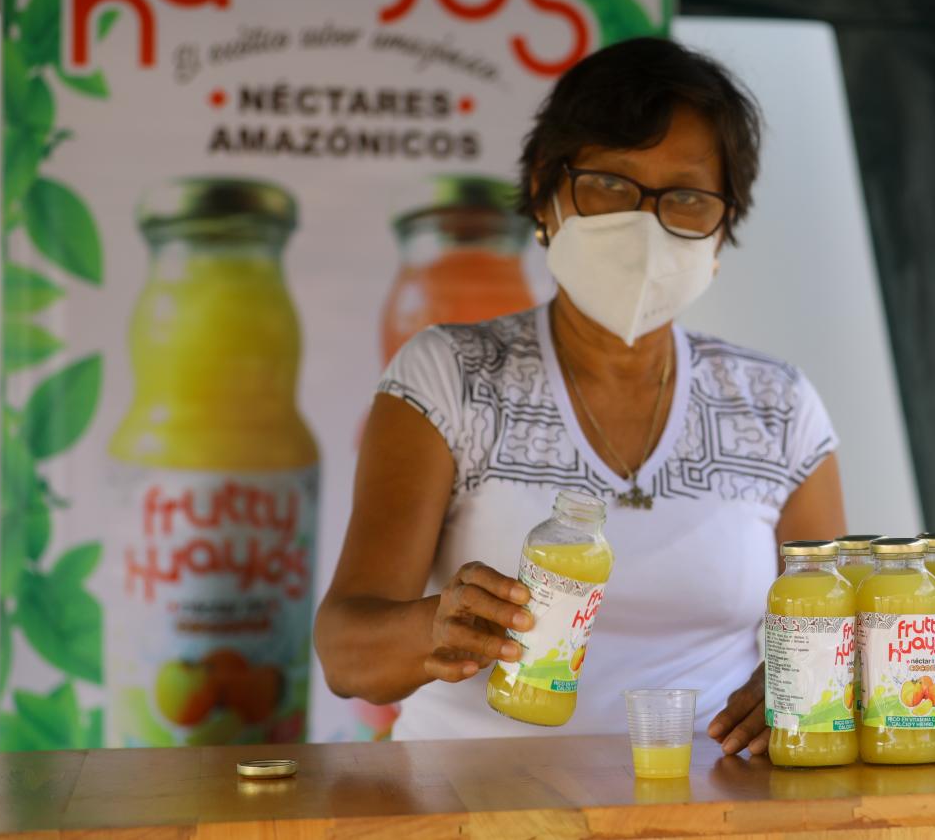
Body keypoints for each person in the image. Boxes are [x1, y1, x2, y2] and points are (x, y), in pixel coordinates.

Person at [315, 38, 845, 757]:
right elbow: (348, 656)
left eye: (686, 198)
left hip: (707, 807)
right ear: (546, 191)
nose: (644, 226)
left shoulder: (777, 408)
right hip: (472, 804)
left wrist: (803, 681)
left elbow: (841, 626)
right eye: (610, 185)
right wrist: (431, 628)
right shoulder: (450, 378)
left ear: (722, 228)